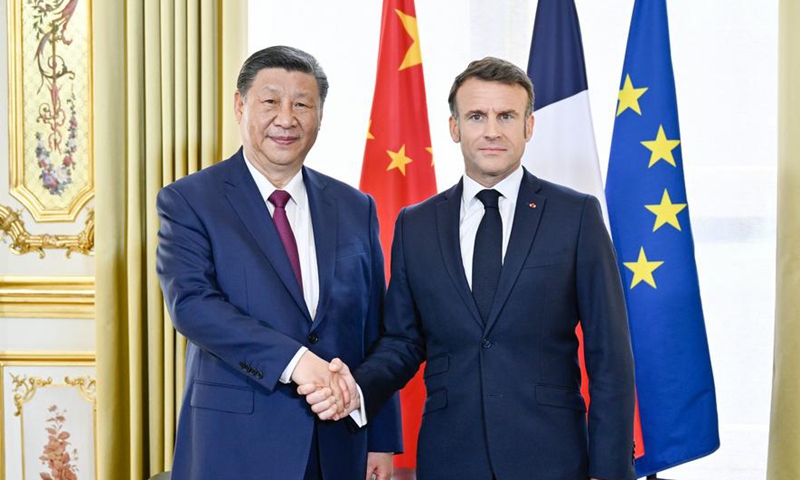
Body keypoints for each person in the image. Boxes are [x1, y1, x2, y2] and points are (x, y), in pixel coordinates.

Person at [301, 57, 636, 480]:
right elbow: (403, 342)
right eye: (477, 116)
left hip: (552, 457)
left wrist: (611, 471)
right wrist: (355, 388)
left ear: (529, 127)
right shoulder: (415, 224)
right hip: (450, 457)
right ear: (455, 127)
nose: (492, 131)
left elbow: (610, 358)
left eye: (507, 116)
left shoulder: (576, 215)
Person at [156, 45, 401, 480]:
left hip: (338, 442)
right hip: (235, 443)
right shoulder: (190, 200)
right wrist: (297, 360)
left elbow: (374, 329)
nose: (286, 119)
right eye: (270, 101)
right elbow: (192, 305)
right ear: (240, 105)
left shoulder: (355, 205)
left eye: (302, 105)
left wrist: (380, 437)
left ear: (319, 116)